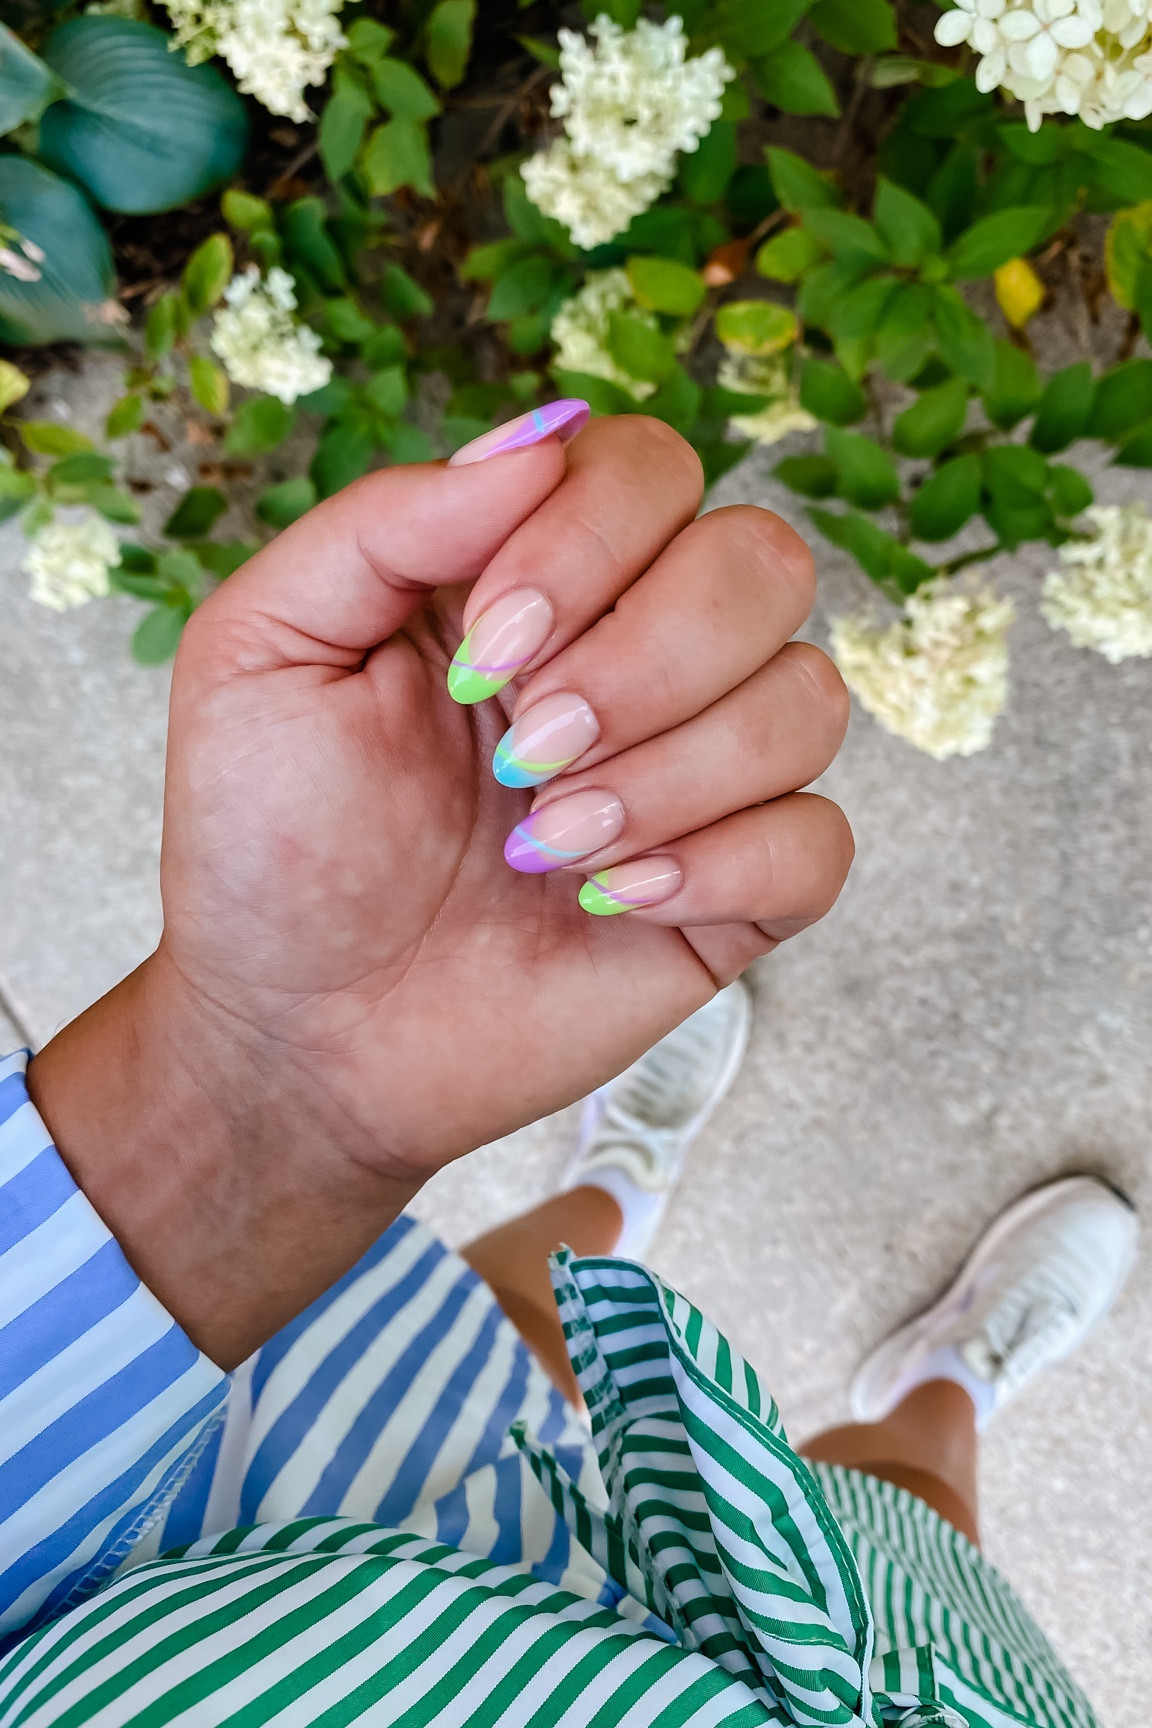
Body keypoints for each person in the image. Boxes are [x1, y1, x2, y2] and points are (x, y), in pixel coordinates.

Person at [0, 407, 1138, 1726]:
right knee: (905, 1516)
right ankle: (947, 1383)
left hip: (185, 1487)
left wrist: (266, 1094)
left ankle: (616, 1182)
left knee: (507, 1325)